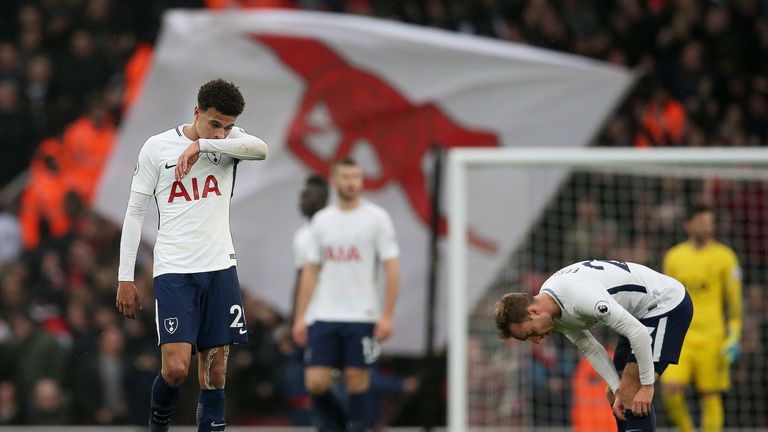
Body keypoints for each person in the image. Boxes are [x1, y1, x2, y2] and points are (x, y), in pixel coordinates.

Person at [115, 78, 268, 432]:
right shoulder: (156, 148)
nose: (220, 133)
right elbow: (135, 212)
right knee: (176, 369)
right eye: (214, 124)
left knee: (214, 373)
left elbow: (261, 149)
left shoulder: (231, 142)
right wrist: (125, 276)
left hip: (220, 268)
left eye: (227, 127)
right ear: (197, 112)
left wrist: (202, 144)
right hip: (175, 272)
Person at [495, 259, 693, 432]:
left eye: (531, 333)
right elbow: (590, 347)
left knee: (632, 387)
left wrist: (647, 385)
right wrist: (616, 387)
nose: (537, 340)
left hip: (666, 304)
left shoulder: (581, 298)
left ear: (534, 311)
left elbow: (639, 333)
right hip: (638, 314)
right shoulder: (553, 308)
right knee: (617, 393)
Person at [292, 157, 400, 432]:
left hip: (362, 313)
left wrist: (386, 315)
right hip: (324, 313)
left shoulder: (377, 218)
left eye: (356, 177)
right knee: (315, 382)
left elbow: (391, 267)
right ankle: (341, 426)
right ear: (334, 181)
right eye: (346, 177)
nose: (352, 182)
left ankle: (359, 427)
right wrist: (300, 317)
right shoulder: (322, 221)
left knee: (357, 379)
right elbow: (310, 272)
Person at [660, 204, 742, 432]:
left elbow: (734, 305)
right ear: (688, 225)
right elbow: (667, 299)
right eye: (702, 222)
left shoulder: (725, 257)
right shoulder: (674, 257)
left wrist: (734, 337)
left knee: (710, 394)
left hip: (712, 338)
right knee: (671, 389)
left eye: (710, 222)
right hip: (681, 338)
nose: (707, 227)